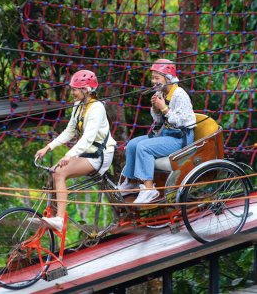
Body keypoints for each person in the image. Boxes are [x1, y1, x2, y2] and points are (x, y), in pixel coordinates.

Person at [35, 70, 116, 232]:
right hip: (87, 153)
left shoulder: (97, 108)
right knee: (53, 172)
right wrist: (48, 147)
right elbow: (69, 132)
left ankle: (59, 219)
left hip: (100, 155)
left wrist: (69, 155)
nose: (71, 92)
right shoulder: (78, 106)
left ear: (86, 90)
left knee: (59, 172)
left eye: (74, 89)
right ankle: (52, 215)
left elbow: (88, 138)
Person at [118, 59, 196, 203]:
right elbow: (160, 121)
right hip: (166, 134)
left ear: (167, 78)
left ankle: (149, 190)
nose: (153, 81)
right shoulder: (162, 92)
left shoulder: (179, 94)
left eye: (156, 78)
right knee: (133, 144)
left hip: (179, 138)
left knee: (144, 147)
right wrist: (156, 109)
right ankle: (132, 181)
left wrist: (164, 108)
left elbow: (181, 121)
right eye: (152, 78)